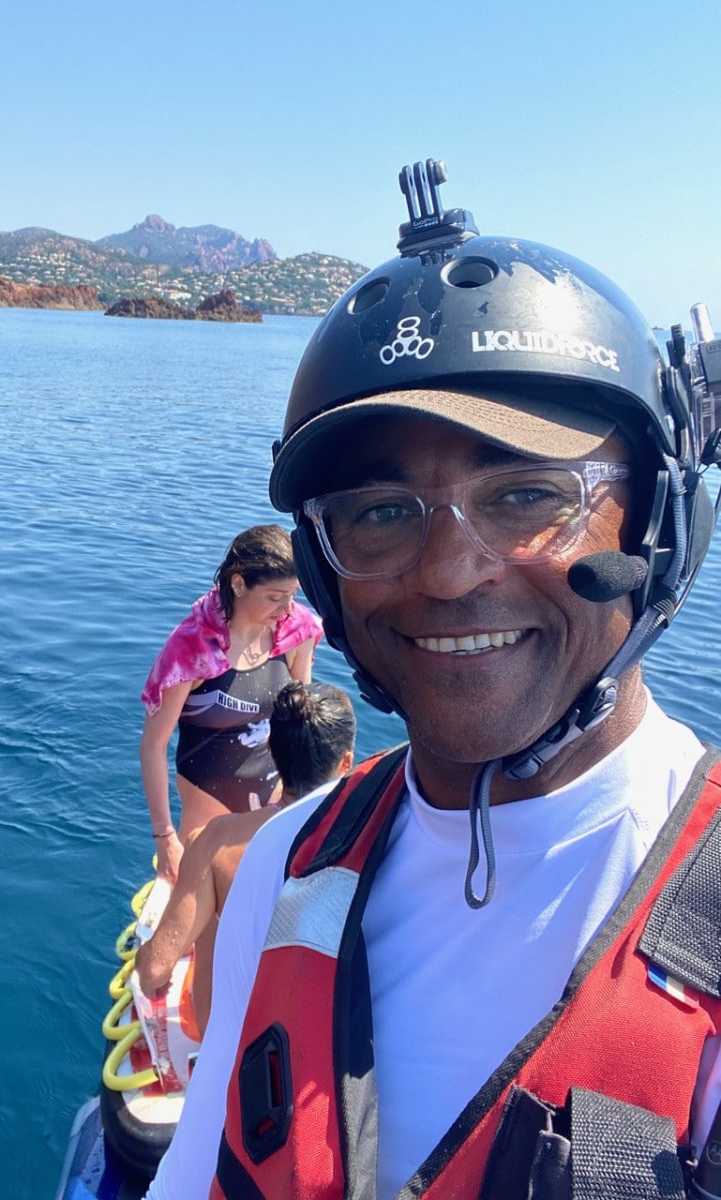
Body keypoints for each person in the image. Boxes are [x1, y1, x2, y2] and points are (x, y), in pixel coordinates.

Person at [146, 158, 721, 1199]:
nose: (451, 574)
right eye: (379, 512)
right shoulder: (286, 867)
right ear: (325, 567)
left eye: (528, 495)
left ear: (659, 524)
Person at [134, 680, 356, 1037]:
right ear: (346, 762)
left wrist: (145, 953)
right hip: (321, 1036)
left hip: (227, 1033)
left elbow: (154, 972)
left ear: (270, 749)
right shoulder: (370, 836)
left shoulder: (214, 842)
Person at [140, 524, 322, 881]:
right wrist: (164, 838)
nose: (287, 608)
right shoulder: (192, 650)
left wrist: (307, 794)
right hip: (209, 805)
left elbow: (301, 722)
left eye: (293, 595)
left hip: (276, 797)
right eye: (274, 597)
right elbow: (153, 745)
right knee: (207, 908)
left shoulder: (295, 632)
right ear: (238, 584)